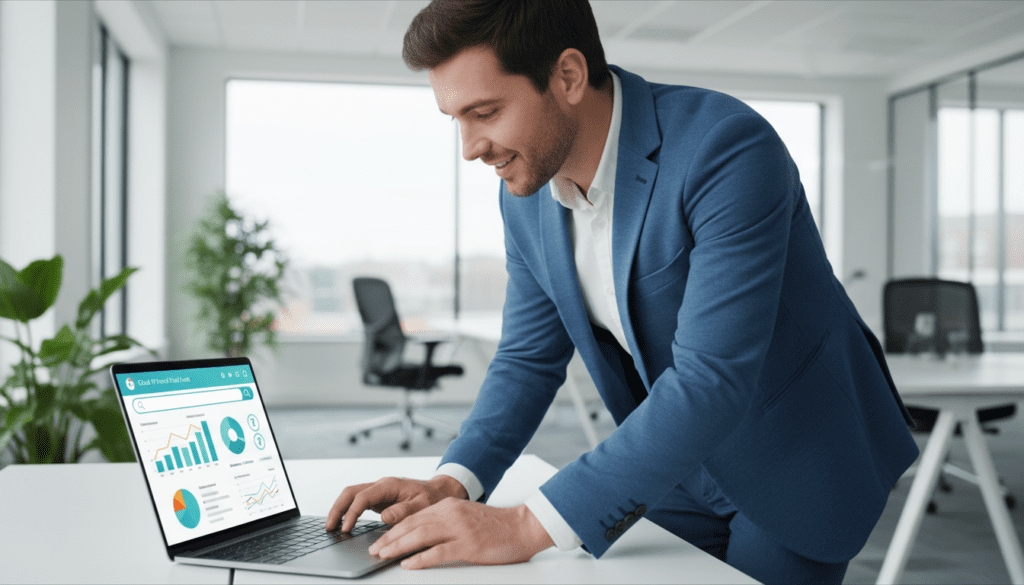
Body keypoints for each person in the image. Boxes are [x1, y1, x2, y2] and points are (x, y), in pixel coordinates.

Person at [325, 1, 920, 583]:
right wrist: (453, 481)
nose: (470, 147)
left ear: (568, 76)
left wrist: (524, 526)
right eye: (456, 119)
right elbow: (528, 358)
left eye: (485, 112)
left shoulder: (725, 148)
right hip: (675, 462)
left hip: (791, 453)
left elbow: (711, 377)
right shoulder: (525, 196)